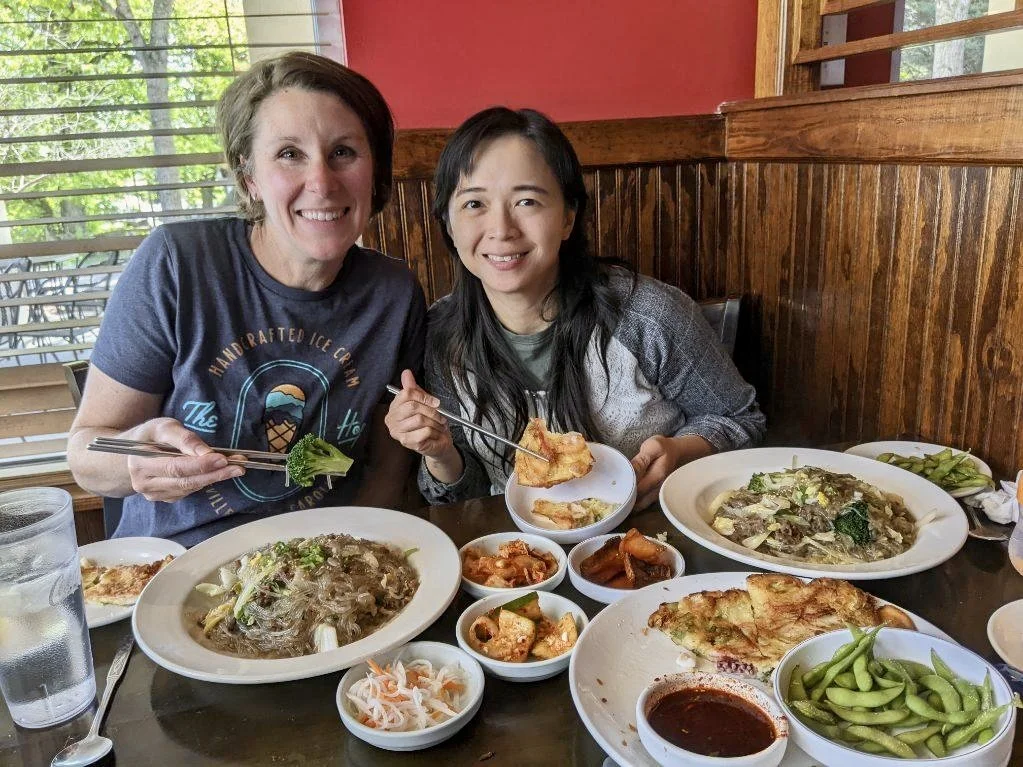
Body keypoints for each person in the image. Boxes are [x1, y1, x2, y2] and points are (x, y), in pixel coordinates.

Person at [67, 52, 426, 546]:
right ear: (249, 176)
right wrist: (134, 459)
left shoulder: (395, 293)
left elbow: (388, 469)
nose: (322, 182)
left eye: (343, 152)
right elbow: (85, 455)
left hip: (329, 560)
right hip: (174, 559)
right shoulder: (176, 263)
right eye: (289, 154)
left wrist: (364, 555)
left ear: (375, 171)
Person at [384, 107, 765, 510]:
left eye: (527, 201)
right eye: (474, 204)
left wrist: (681, 451)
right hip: (517, 546)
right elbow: (470, 496)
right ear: (448, 223)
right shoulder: (443, 337)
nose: (501, 229)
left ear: (568, 216)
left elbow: (743, 420)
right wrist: (440, 453)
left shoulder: (648, 316)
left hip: (646, 533)